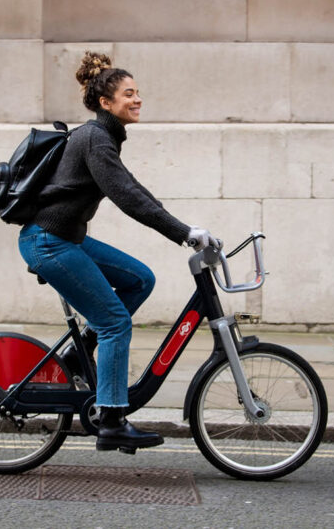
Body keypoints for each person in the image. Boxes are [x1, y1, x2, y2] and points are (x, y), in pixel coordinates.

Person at [17, 51, 217, 453]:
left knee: (140, 280)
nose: (138, 99)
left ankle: (77, 358)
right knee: (114, 324)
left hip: (62, 238)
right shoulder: (95, 138)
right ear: (106, 103)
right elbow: (127, 197)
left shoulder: (103, 138)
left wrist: (187, 227)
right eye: (129, 93)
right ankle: (111, 419)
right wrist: (182, 234)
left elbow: (135, 189)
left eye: (138, 92)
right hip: (49, 242)